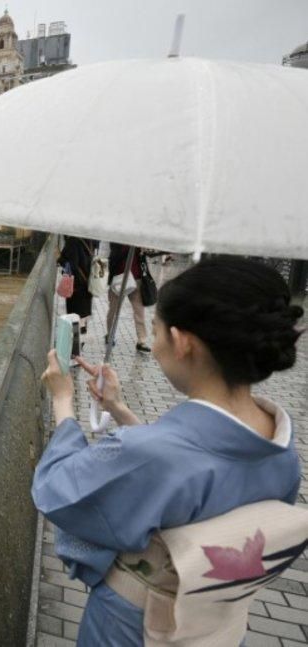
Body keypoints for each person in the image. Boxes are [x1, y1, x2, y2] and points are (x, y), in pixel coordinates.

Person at [32, 257, 304, 646]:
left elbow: (59, 490)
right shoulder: (280, 447)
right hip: (220, 627)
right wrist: (119, 410)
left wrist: (63, 400)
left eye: (156, 331)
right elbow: (186, 469)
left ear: (183, 342)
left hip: (134, 627)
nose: (155, 347)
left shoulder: (149, 453)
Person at [105, 244, 152, 352]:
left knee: (139, 311)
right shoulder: (118, 241)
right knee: (113, 310)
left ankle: (142, 341)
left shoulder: (139, 241)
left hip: (136, 280)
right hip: (119, 280)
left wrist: (143, 250)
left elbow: (149, 255)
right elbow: (114, 256)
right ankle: (109, 334)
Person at [58, 236, 98, 338]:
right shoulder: (89, 239)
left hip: (76, 286)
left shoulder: (72, 241)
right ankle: (81, 340)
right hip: (87, 283)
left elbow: (72, 265)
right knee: (82, 317)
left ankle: (76, 345)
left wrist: (60, 258)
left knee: (75, 317)